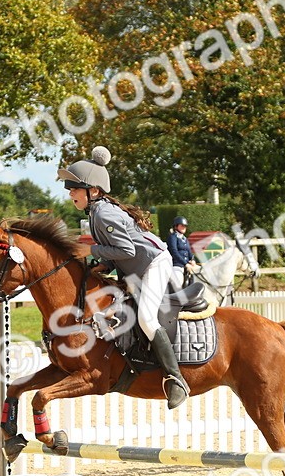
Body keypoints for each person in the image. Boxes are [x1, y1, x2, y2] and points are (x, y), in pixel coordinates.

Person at [58, 146, 190, 409]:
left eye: (74, 188)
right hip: (136, 266)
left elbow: (127, 250)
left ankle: (177, 380)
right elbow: (119, 251)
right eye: (69, 189)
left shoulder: (104, 213)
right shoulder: (96, 213)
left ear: (93, 191)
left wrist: (91, 250)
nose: (70, 193)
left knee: (146, 318)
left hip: (153, 264)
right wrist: (101, 265)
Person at [166, 216, 193, 289]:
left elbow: (189, 251)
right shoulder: (172, 237)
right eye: (182, 226)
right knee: (178, 281)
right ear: (176, 226)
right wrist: (185, 264)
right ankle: (178, 298)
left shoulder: (185, 238)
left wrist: (192, 260)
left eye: (185, 226)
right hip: (177, 265)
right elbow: (174, 252)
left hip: (188, 266)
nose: (184, 227)